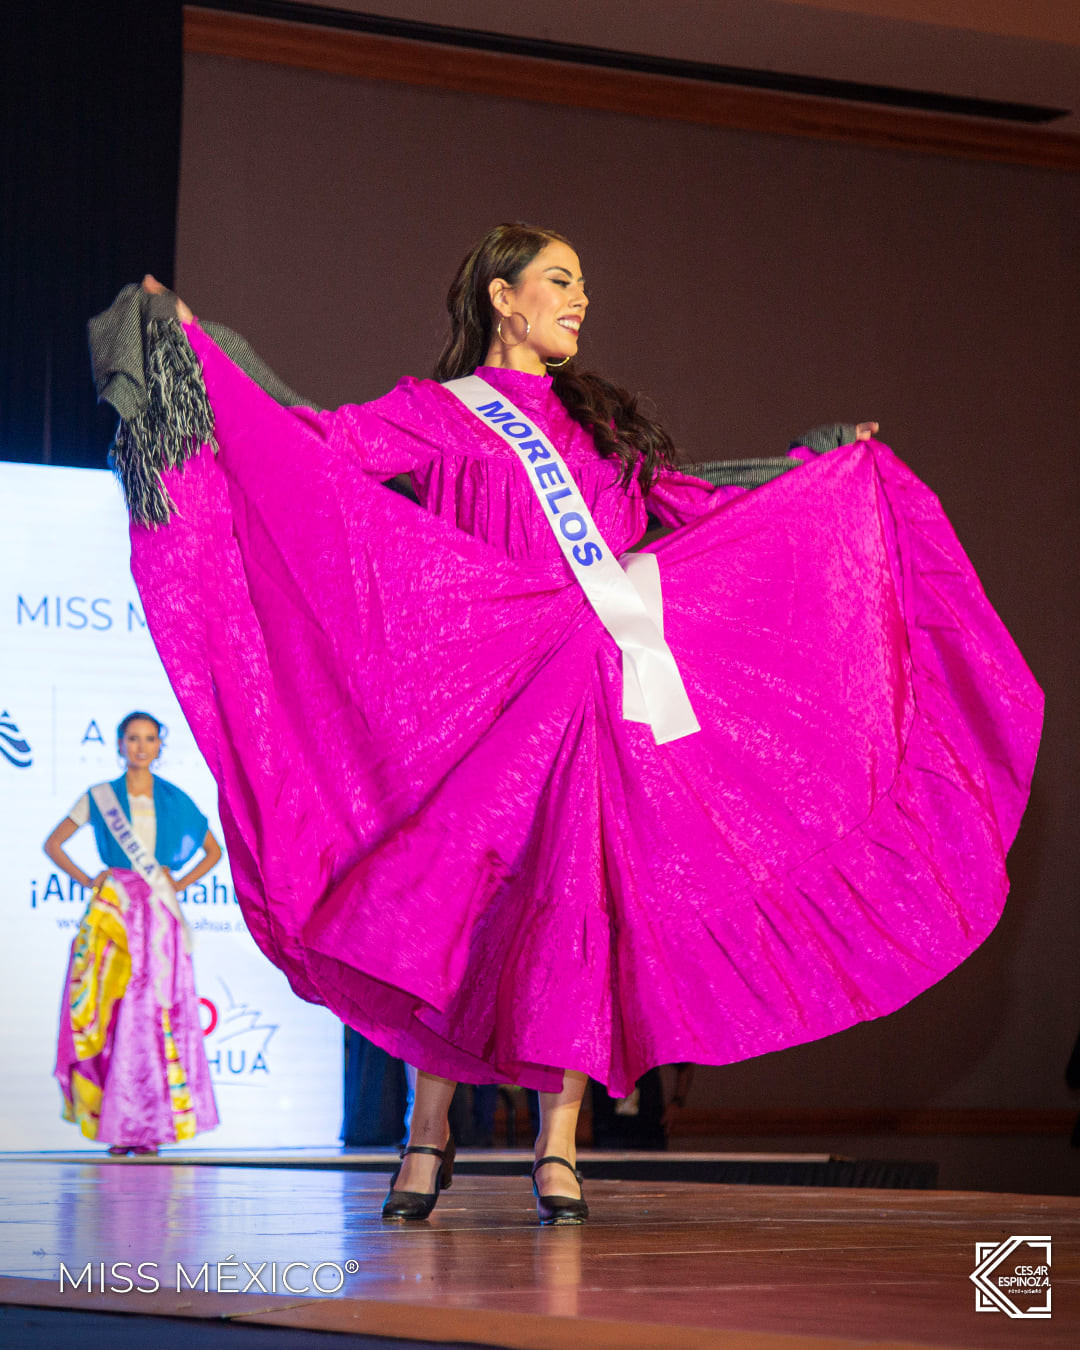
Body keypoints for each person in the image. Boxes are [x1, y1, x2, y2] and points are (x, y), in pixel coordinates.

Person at [89, 223, 1040, 1220]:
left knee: (580, 906)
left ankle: (560, 1145)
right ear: (502, 297)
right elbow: (312, 446)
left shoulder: (600, 433)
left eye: (582, 285)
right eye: (559, 280)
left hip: (595, 699)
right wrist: (194, 348)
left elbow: (703, 509)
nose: (579, 301)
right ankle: (427, 1134)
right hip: (482, 695)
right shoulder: (436, 414)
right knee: (455, 909)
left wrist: (820, 465)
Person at [46, 711, 222, 1154]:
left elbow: (212, 850)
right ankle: (117, 1123)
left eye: (150, 739)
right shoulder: (100, 796)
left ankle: (151, 1126)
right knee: (112, 1009)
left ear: (160, 746)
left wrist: (177, 883)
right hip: (115, 911)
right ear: (119, 744)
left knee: (155, 1010)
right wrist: (91, 880)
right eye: (133, 738)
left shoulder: (173, 797)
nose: (141, 746)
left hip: (160, 917)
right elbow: (54, 843)